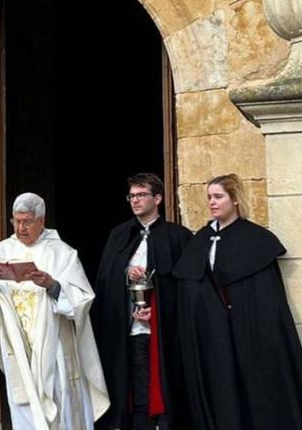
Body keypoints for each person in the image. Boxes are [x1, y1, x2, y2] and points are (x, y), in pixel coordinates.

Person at [174, 174, 302, 430]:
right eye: (209, 197)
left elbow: (266, 299)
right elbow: (190, 289)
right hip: (212, 337)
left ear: (235, 200)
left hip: (249, 333)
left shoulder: (255, 240)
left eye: (218, 197)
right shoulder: (200, 239)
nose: (212, 202)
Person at [0, 192, 109, 430]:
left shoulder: (62, 253)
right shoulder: (3, 251)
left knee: (60, 403)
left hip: (53, 345)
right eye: (16, 221)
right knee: (24, 408)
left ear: (41, 220)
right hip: (17, 343)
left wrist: (52, 286)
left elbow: (81, 300)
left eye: (26, 221)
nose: (20, 228)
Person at [91, 174, 193, 430]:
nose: (134, 200)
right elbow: (106, 279)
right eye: (131, 196)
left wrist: (157, 302)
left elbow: (184, 287)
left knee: (167, 383)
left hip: (166, 330)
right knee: (137, 385)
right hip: (131, 327)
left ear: (157, 198)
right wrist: (126, 271)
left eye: (140, 195)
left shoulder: (177, 236)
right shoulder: (119, 235)